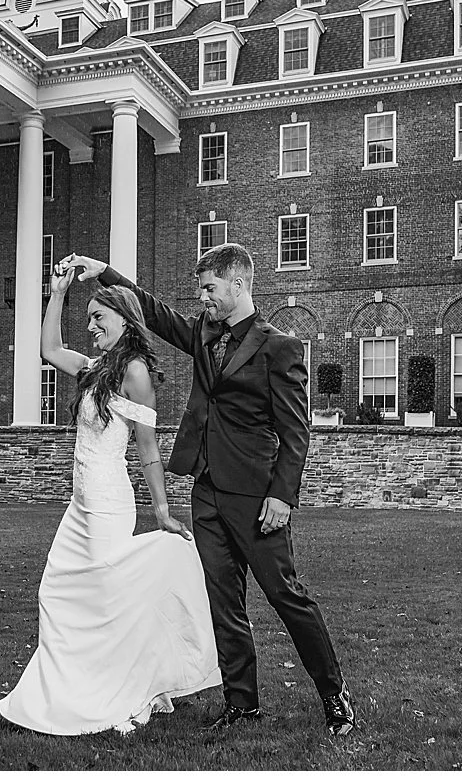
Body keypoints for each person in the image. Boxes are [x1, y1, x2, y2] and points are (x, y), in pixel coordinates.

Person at [63, 244, 355, 736]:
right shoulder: (202, 333)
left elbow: (295, 432)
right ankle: (242, 703)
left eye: (210, 289)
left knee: (286, 596)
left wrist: (282, 497)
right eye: (200, 290)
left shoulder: (278, 347)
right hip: (207, 490)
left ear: (239, 284)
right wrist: (104, 274)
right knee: (224, 601)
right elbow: (152, 311)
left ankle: (334, 693)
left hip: (257, 497)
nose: (203, 299)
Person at [0, 265, 221, 735]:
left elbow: (148, 449)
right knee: (56, 591)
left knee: (102, 604)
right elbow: (49, 349)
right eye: (91, 318)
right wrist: (57, 294)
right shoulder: (97, 368)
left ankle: (118, 691)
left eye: (99, 318)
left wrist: (161, 511)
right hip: (80, 507)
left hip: (107, 506)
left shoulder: (135, 373)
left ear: (124, 320)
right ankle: (68, 686)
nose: (92, 326)